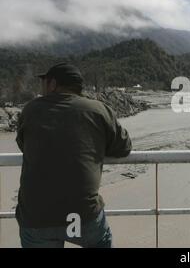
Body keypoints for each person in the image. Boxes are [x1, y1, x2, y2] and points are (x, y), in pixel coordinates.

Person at [16, 63, 132, 248]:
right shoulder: (98, 110)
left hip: (36, 217)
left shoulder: (31, 110)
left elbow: (24, 145)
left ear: (52, 84)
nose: (42, 87)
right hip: (83, 216)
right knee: (100, 239)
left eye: (44, 82)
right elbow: (124, 147)